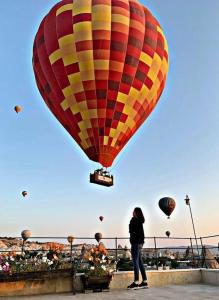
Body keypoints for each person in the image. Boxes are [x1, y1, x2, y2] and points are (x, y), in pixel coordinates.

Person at [127, 207, 148, 289]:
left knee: (135, 262)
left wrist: (131, 224)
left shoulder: (135, 220)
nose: (132, 212)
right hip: (140, 243)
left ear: (136, 212)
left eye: (134, 211)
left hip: (136, 243)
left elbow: (131, 231)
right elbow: (140, 233)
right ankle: (144, 281)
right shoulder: (140, 221)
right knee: (140, 262)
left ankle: (136, 282)